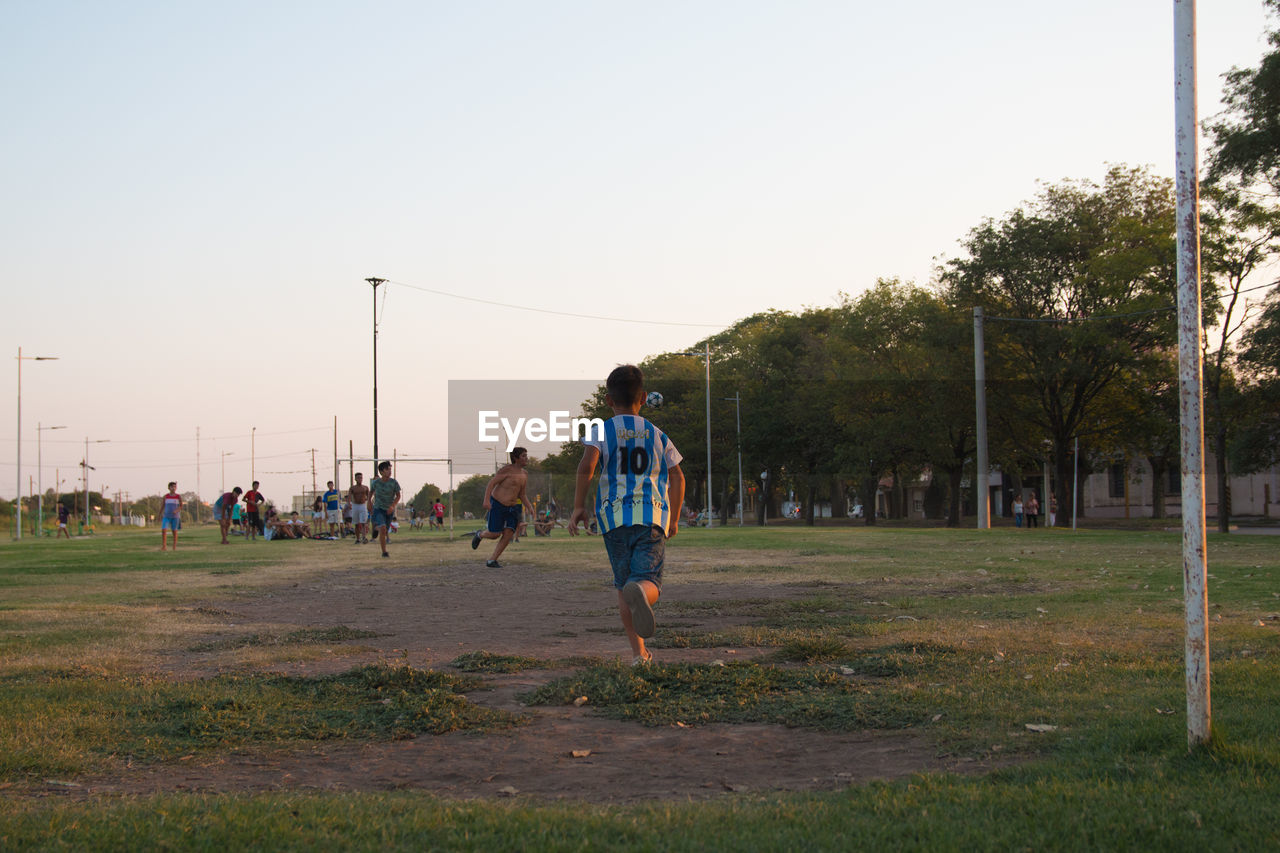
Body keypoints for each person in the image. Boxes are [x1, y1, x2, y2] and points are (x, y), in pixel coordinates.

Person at [569, 365, 685, 666]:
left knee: (623, 585)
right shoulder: (658, 435)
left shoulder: (601, 431)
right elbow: (678, 477)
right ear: (644, 398)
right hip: (651, 516)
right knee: (646, 580)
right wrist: (672, 519)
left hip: (613, 518)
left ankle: (639, 653)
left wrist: (579, 506)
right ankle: (644, 593)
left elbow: (586, 467)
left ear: (608, 400)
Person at [471, 447, 533, 568]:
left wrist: (529, 506)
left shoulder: (525, 474)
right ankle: (480, 534)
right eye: (523, 456)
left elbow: (522, 494)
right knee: (495, 534)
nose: (526, 458)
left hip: (512, 507)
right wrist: (486, 500)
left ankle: (492, 560)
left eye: (527, 455)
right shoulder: (506, 470)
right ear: (516, 458)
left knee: (509, 532)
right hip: (498, 504)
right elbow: (491, 483)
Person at [369, 461, 401, 558]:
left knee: (385, 530)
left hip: (389, 510)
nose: (389, 471)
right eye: (387, 469)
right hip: (378, 508)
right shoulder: (376, 483)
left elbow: (398, 496)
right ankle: (384, 552)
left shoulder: (394, 482)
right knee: (383, 529)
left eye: (390, 469)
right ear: (381, 472)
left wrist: (393, 506)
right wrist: (369, 502)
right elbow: (371, 492)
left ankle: (375, 528)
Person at [348, 473, 371, 544]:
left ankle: (364, 537)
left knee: (363, 522)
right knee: (357, 524)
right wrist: (349, 503)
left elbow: (369, 496)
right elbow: (349, 497)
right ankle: (358, 539)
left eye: (361, 478)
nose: (360, 479)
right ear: (355, 479)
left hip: (363, 505)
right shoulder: (352, 488)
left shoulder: (365, 487)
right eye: (358, 478)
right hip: (355, 505)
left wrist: (369, 504)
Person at [160, 481, 182, 551]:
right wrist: (159, 514)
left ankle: (174, 547)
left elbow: (181, 506)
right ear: (169, 488)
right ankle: (164, 546)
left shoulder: (178, 496)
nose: (173, 488)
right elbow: (163, 505)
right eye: (172, 486)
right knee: (164, 530)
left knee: (174, 531)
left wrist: (176, 510)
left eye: (175, 486)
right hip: (166, 516)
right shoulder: (166, 496)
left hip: (175, 517)